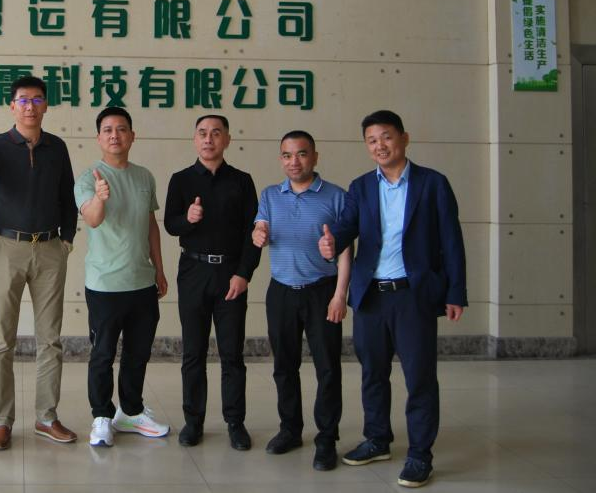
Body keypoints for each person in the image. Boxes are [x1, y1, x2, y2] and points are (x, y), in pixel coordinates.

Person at [319, 110, 467, 488]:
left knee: (419, 377)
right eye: (371, 140)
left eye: (386, 137)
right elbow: (347, 227)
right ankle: (377, 439)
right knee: (373, 373)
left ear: (404, 138)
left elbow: (452, 241)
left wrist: (455, 292)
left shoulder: (432, 184)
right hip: (371, 296)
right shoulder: (361, 187)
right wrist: (332, 242)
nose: (379, 146)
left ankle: (420, 454)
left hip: (413, 295)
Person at [0, 75, 78, 450]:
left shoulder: (57, 147)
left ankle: (46, 417)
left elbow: (67, 195)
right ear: (12, 106)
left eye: (37, 100)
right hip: (8, 247)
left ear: (46, 105)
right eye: (23, 100)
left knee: (50, 339)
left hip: (50, 249)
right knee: (2, 340)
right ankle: (2, 420)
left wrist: (67, 239)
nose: (30, 107)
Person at [251, 130, 350, 471]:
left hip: (322, 291)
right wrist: (259, 234)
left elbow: (346, 249)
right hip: (281, 291)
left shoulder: (336, 196)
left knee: (328, 368)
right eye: (287, 155)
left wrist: (340, 295)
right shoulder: (270, 194)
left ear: (315, 157)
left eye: (302, 154)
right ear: (281, 159)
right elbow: (260, 226)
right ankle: (290, 430)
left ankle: (327, 439)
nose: (294, 161)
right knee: (284, 366)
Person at [163, 114, 260, 449]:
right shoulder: (181, 180)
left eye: (216, 133)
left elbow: (253, 232)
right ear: (195, 139)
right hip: (193, 271)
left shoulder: (242, 181)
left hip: (231, 273)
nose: (209, 139)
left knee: (232, 353)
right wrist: (188, 219)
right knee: (194, 352)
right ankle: (194, 421)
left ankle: (235, 422)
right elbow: (170, 225)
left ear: (227, 139)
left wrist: (244, 273)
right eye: (202, 133)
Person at [74, 107, 169, 448]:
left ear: (132, 135)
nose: (115, 135)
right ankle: (101, 415)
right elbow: (93, 219)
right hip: (105, 284)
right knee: (103, 354)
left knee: (137, 352)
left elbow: (151, 225)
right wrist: (100, 198)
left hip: (141, 281)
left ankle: (130, 411)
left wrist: (159, 268)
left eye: (122, 129)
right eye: (108, 130)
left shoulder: (144, 177)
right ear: (99, 137)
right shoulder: (88, 178)